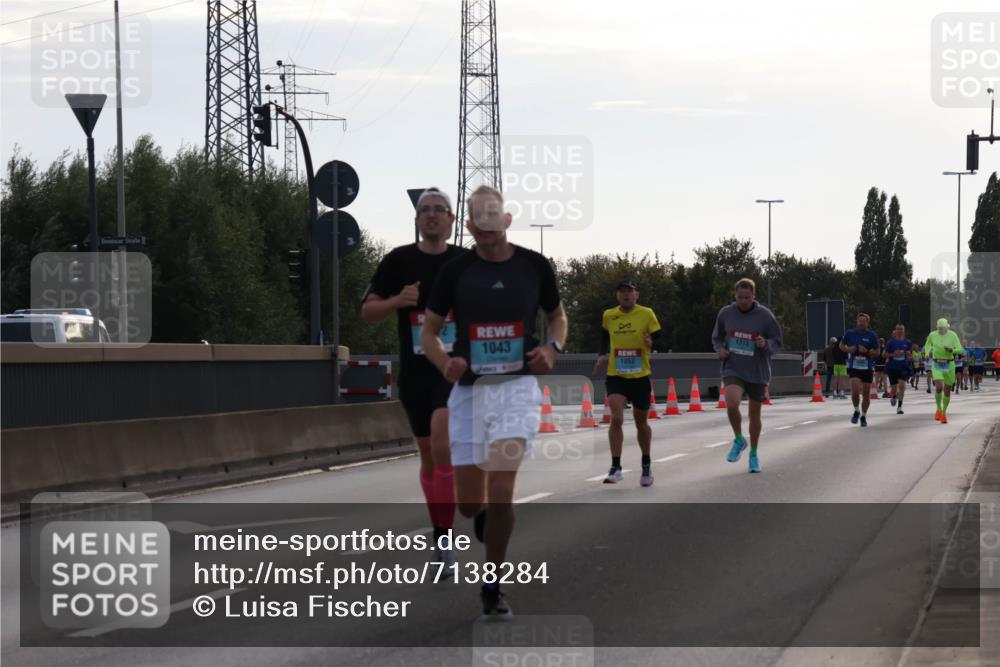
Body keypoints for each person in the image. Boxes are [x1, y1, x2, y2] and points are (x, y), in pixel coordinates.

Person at [422, 184, 567, 620]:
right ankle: (481, 515)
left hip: (517, 389)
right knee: (470, 503)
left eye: (493, 215)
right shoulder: (456, 272)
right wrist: (443, 361)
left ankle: (493, 583)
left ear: (505, 220)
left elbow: (558, 317)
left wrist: (553, 348)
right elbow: (428, 333)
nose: (485, 223)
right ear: (468, 226)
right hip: (469, 391)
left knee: (502, 490)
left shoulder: (534, 266)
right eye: (477, 218)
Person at [361, 187, 466, 567]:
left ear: (452, 220)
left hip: (454, 370)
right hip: (416, 372)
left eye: (441, 210)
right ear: (418, 220)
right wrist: (396, 302)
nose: (433, 215)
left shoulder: (466, 262)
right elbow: (368, 312)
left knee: (442, 439)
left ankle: (446, 538)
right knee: (427, 455)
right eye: (426, 210)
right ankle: (440, 536)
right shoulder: (398, 261)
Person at [591, 278, 666, 487]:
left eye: (629, 292)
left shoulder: (647, 313)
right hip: (617, 375)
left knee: (641, 422)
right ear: (618, 296)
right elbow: (604, 336)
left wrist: (653, 343)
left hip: (640, 375)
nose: (626, 295)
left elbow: (662, 339)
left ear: (636, 295)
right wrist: (601, 354)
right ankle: (616, 467)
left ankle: (646, 464)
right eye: (622, 292)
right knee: (616, 419)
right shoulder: (609, 315)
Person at [711, 278, 783, 473]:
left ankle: (753, 453)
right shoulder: (726, 313)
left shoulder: (765, 316)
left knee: (754, 414)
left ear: (754, 296)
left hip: (757, 370)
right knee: (732, 403)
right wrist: (720, 350)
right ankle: (739, 439)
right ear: (735, 296)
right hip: (733, 367)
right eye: (740, 297)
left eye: (747, 297)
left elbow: (777, 341)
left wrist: (765, 344)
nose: (743, 301)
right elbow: (716, 337)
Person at [840, 313, 880, 427]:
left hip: (867, 368)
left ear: (867, 323)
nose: (861, 323)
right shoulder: (850, 333)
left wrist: (867, 351)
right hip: (854, 367)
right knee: (855, 391)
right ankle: (856, 410)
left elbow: (877, 353)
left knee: (866, 394)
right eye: (860, 321)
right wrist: (848, 349)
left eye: (864, 321)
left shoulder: (872, 335)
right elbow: (841, 345)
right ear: (857, 322)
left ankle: (863, 415)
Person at [924, 318, 964, 424]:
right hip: (936, 363)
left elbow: (961, 350)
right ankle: (939, 409)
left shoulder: (953, 335)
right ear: (937, 328)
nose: (941, 330)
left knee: (947, 390)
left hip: (949, 364)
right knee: (939, 387)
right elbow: (928, 344)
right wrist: (927, 353)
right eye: (940, 329)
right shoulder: (932, 335)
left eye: (943, 328)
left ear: (947, 327)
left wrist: (952, 350)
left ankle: (944, 413)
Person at [883, 323, 912, 415]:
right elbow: (884, 355)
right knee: (894, 388)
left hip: (903, 367)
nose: (899, 331)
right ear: (895, 331)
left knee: (902, 386)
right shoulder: (890, 342)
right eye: (898, 329)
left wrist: (909, 356)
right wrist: (892, 354)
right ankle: (894, 396)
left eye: (901, 329)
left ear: (904, 331)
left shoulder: (907, 342)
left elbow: (910, 355)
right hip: (892, 367)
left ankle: (899, 407)